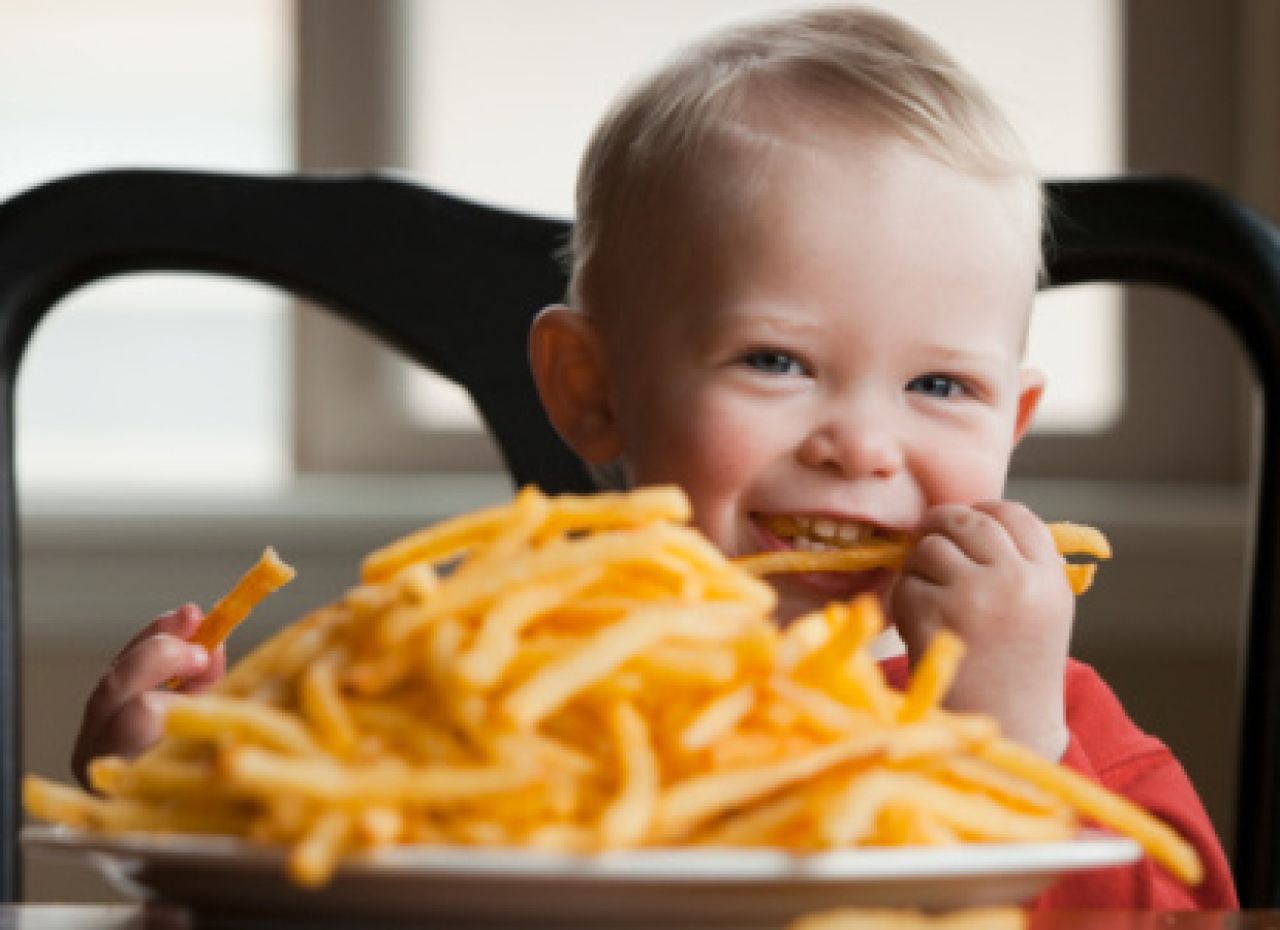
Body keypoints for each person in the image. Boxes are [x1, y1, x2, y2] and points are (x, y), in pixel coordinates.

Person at [72, 4, 1235, 911]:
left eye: (941, 386)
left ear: (1012, 427)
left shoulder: (1051, 722)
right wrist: (181, 800)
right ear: (590, 390)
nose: (863, 445)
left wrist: (1009, 756)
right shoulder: (487, 690)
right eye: (775, 361)